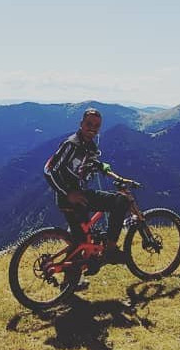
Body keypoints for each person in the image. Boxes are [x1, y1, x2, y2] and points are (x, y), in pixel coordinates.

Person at [43, 108, 130, 274]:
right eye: (89, 124)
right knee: (121, 201)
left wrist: (103, 168)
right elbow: (49, 170)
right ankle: (110, 250)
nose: (92, 128)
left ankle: (72, 281)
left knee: (80, 239)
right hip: (71, 198)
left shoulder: (88, 145)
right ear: (81, 124)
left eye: (97, 125)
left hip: (80, 197)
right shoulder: (71, 144)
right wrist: (69, 193)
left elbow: (90, 162)